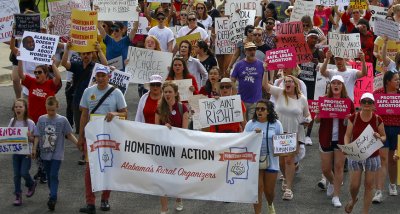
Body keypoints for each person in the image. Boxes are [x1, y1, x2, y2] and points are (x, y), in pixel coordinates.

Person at [78, 66, 127, 214]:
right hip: (92, 137)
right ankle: (90, 202)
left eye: (103, 76)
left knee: (108, 167)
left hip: (109, 136)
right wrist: (81, 137)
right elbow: (84, 115)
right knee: (90, 169)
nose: (100, 78)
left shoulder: (116, 93)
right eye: (98, 75)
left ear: (109, 77)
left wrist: (114, 113)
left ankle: (105, 199)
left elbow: (125, 114)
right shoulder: (88, 92)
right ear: (95, 77)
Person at [263, 74, 311, 200]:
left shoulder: (302, 99)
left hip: (293, 133)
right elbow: (265, 86)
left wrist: (308, 120)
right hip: (279, 132)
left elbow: (307, 115)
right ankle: (286, 176)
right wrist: (265, 70)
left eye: (290, 81)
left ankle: (289, 188)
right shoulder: (280, 93)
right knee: (281, 161)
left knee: (289, 160)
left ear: (295, 84)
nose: (287, 83)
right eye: (285, 81)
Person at [315, 75, 355, 208]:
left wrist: (349, 118)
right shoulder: (324, 100)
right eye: (333, 83)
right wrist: (318, 115)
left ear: (342, 86)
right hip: (326, 137)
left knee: (338, 167)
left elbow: (353, 122)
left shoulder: (348, 102)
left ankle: (336, 196)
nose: (336, 85)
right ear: (330, 86)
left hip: (342, 139)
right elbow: (316, 120)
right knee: (326, 169)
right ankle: (332, 182)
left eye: (339, 83)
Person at [32, 96, 78, 211]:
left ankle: (52, 197)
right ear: (45, 107)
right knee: (48, 174)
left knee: (53, 174)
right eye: (48, 110)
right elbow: (37, 135)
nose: (50, 112)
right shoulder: (41, 119)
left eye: (53, 110)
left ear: (57, 107)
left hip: (57, 154)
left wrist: (78, 144)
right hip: (44, 153)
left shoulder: (62, 120)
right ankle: (53, 192)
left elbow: (69, 134)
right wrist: (34, 148)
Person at [343, 92, 386, 214]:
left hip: (372, 156)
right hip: (356, 154)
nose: (367, 104)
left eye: (369, 102)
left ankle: (365, 212)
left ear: (373, 105)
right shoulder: (354, 117)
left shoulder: (378, 119)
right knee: (354, 185)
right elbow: (347, 135)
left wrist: (379, 137)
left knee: (369, 185)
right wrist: (347, 147)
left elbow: (384, 137)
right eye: (364, 101)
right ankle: (353, 199)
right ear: (360, 103)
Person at [155, 81, 189, 214]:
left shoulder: (183, 108)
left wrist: (173, 130)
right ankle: (164, 208)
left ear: (175, 93)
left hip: (178, 148)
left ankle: (179, 198)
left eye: (170, 91)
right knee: (162, 178)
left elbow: (185, 131)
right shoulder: (159, 109)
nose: (167, 94)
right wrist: (163, 129)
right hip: (163, 149)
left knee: (177, 176)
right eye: (165, 92)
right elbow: (154, 129)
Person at [245, 99, 282, 214]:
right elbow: (243, 142)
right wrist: (252, 135)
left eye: (262, 109)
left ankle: (270, 205)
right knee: (257, 190)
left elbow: (281, 142)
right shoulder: (250, 124)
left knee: (269, 192)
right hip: (254, 162)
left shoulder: (276, 124)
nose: (259, 111)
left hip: (271, 161)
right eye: (257, 109)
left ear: (268, 111)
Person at [372, 70, 400, 202]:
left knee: (393, 160)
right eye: (396, 79)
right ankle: (378, 191)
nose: (398, 82)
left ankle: (392, 185)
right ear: (388, 81)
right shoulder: (377, 94)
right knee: (382, 159)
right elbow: (370, 109)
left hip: (397, 130)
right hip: (381, 130)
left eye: (398, 79)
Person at [9, 98, 37, 206]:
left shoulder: (30, 123)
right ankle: (17, 195)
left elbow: (35, 139)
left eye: (20, 106)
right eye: (16, 107)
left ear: (25, 109)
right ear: (14, 109)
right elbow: (8, 136)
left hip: (26, 153)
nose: (18, 108)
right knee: (16, 175)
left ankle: (31, 184)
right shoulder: (12, 121)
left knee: (24, 172)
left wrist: (30, 137)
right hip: (16, 153)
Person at [17, 56, 61, 123]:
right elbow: (20, 74)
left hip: (46, 120)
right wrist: (20, 59)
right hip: (31, 120)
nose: (37, 74)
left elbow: (58, 77)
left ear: (46, 74)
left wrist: (53, 64)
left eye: (39, 72)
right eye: (35, 72)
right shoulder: (32, 82)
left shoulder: (50, 84)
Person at [231, 42, 266, 121]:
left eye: (254, 49)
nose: (252, 52)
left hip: (256, 101)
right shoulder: (239, 65)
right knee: (243, 124)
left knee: (253, 124)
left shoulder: (261, 65)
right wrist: (234, 94)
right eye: (249, 50)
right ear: (245, 51)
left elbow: (265, 81)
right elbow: (232, 80)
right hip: (242, 101)